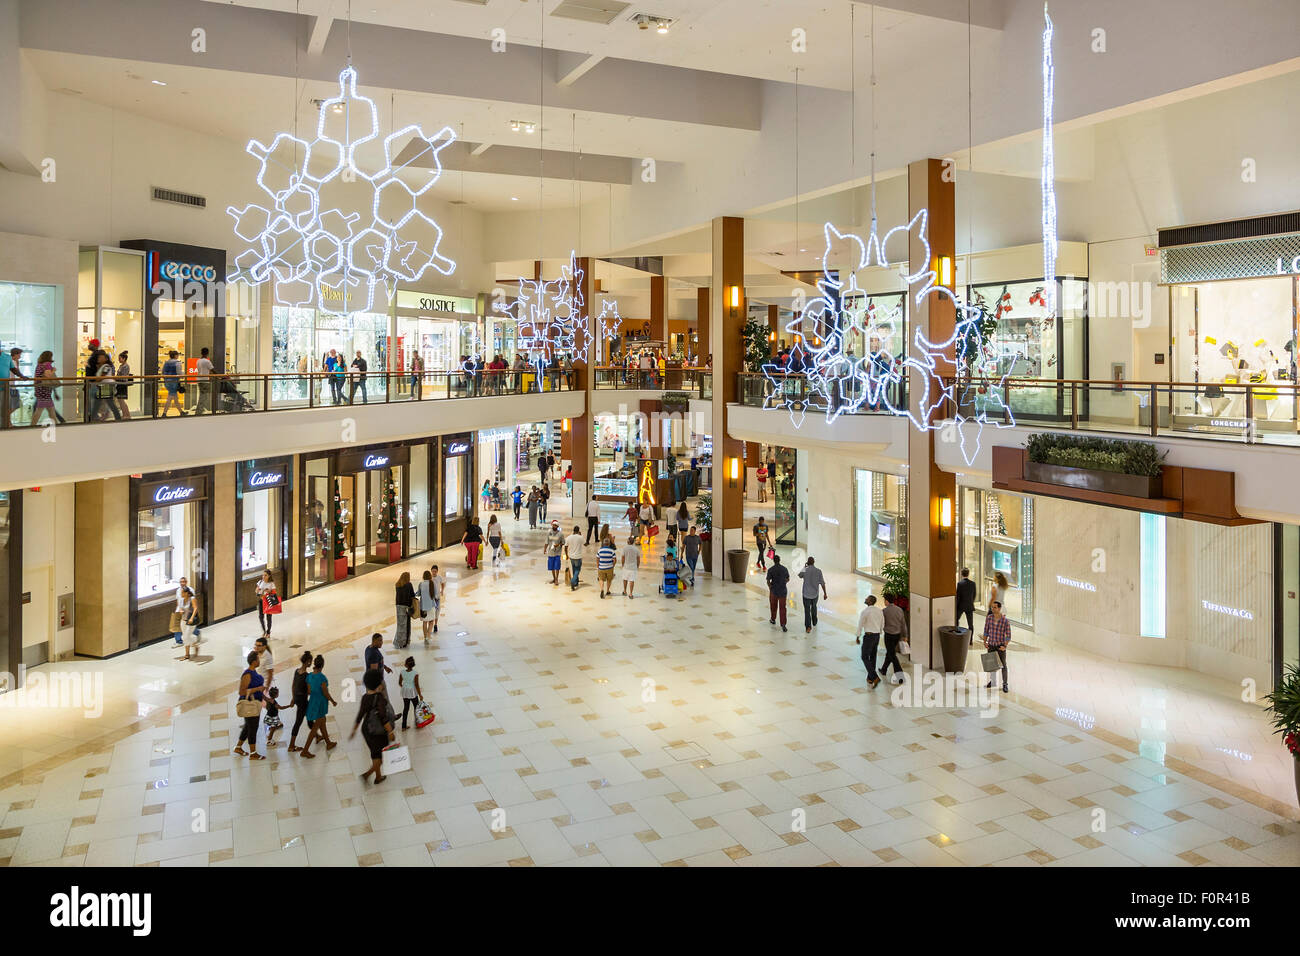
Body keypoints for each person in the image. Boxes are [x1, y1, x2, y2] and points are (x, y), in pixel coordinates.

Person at [351, 669, 396, 784]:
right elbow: (383, 717)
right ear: (378, 683)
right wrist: (390, 732)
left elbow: (360, 714)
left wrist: (354, 730)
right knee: (380, 757)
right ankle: (367, 774)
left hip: (366, 729)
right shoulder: (379, 698)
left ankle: (378, 776)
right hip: (378, 731)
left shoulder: (365, 697)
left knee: (375, 754)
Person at [233, 650, 266, 760]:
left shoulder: (254, 672)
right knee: (253, 728)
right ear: (253, 661)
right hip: (250, 705)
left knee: (248, 727)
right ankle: (253, 753)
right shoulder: (247, 674)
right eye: (258, 659)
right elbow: (242, 692)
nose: (259, 661)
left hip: (256, 703)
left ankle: (238, 747)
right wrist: (258, 689)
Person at [287, 650, 314, 752]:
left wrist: (293, 698)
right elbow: (309, 691)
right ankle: (291, 745)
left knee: (310, 718)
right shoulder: (307, 675)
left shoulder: (296, 671)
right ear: (307, 661)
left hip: (298, 699)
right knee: (298, 722)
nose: (311, 663)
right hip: (303, 700)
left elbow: (293, 685)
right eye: (310, 661)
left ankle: (317, 735)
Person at [982, 600, 1011, 693]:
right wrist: (985, 641)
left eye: (995, 607)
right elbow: (986, 630)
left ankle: (1005, 684)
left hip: (1000, 646)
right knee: (991, 665)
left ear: (999, 608)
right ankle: (993, 681)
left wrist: (1005, 646)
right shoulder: (989, 618)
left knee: (1003, 665)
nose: (993, 609)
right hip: (991, 645)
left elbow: (1008, 635)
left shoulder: (1005, 621)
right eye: (992, 607)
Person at [880, 593, 909, 684]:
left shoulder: (884, 611)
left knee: (892, 655)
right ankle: (883, 669)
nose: (884, 602)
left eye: (884, 600)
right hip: (897, 635)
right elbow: (903, 624)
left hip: (888, 635)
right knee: (890, 652)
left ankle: (900, 676)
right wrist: (905, 636)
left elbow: (881, 623)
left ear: (887, 601)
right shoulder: (899, 610)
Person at [30, 351, 64, 426]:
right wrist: (54, 370)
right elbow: (48, 375)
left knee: (50, 410)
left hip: (40, 389)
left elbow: (37, 377)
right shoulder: (47, 364)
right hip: (44, 390)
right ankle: (32, 426)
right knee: (40, 410)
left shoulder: (39, 365)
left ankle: (56, 424)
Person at [857, 595, 884, 688]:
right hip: (876, 635)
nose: (865, 599)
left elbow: (860, 624)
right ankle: (870, 678)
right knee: (873, 656)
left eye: (867, 599)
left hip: (869, 636)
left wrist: (858, 636)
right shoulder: (879, 611)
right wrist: (879, 631)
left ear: (870, 601)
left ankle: (875, 677)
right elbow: (882, 622)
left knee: (864, 656)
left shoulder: (865, 612)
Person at [797, 556, 827, 634]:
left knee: (807, 611)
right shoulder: (818, 571)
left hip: (806, 594)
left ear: (808, 562)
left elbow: (799, 575)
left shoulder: (805, 570)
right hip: (814, 594)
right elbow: (822, 583)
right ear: (814, 562)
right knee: (814, 607)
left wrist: (804, 567)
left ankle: (808, 627)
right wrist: (825, 593)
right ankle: (814, 621)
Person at [89, 349, 120, 422]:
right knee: (104, 401)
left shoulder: (106, 366)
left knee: (103, 401)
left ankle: (92, 418)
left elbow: (102, 376)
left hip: (107, 386)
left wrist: (93, 383)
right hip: (105, 386)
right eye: (98, 357)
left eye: (101, 357)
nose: (99, 358)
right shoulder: (103, 366)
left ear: (106, 359)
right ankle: (93, 417)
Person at [0, 346, 27, 427]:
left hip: (5, 388)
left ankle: (5, 425)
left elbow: (13, 369)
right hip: (8, 387)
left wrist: (22, 376)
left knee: (4, 408)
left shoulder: (7, 357)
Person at [364, 632, 392, 701]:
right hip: (376, 682)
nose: (381, 642)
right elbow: (374, 671)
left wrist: (385, 667)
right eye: (379, 640)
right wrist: (379, 685)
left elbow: (377, 662)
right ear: (374, 641)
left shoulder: (369, 648)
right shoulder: (374, 654)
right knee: (384, 700)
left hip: (370, 681)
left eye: (381, 640)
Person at [766, 554, 790, 631]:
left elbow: (768, 581)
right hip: (783, 591)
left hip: (774, 591)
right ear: (779, 560)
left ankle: (773, 619)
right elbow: (788, 578)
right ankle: (783, 624)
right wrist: (783, 583)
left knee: (773, 606)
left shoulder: (771, 570)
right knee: (783, 608)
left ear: (774, 561)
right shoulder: (784, 569)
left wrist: (770, 588)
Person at [398, 656, 423, 730]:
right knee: (416, 708)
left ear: (406, 664)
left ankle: (403, 726)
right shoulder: (415, 673)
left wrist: (404, 687)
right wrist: (420, 695)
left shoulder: (402, 672)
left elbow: (400, 683)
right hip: (412, 692)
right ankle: (417, 723)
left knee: (406, 708)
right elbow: (416, 685)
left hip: (405, 692)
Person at [159, 349, 184, 417]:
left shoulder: (166, 362)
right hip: (174, 382)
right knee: (170, 398)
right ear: (176, 355)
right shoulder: (178, 363)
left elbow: (163, 373)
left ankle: (181, 412)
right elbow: (179, 373)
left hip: (167, 382)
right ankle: (164, 413)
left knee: (175, 398)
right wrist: (183, 375)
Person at [394, 571, 415, 649]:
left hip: (398, 607)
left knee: (400, 625)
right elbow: (412, 595)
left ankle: (398, 642)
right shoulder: (409, 585)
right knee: (406, 625)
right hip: (406, 607)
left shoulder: (397, 585)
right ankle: (405, 642)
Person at [956, 567, 977, 640]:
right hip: (969, 606)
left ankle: (957, 634)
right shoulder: (973, 583)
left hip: (961, 606)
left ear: (961, 574)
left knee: (956, 620)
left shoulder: (960, 584)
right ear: (968, 574)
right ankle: (970, 640)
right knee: (970, 624)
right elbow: (974, 595)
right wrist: (971, 602)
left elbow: (958, 596)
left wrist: (956, 606)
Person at [193, 346, 214, 415]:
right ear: (207, 353)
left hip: (199, 379)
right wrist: (220, 376)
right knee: (203, 396)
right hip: (205, 380)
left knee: (202, 395)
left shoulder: (198, 361)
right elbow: (212, 370)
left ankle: (199, 410)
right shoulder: (207, 361)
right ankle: (199, 411)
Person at [564, 524, 585, 590]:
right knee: (577, 570)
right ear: (578, 531)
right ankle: (573, 581)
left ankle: (576, 582)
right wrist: (581, 535)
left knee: (574, 568)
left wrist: (566, 555)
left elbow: (565, 547)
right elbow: (586, 544)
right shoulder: (580, 537)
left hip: (571, 556)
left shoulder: (569, 537)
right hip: (578, 556)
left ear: (573, 530)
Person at [256, 570, 277, 636]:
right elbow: (256, 591)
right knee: (260, 616)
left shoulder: (271, 583)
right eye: (263, 575)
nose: (263, 576)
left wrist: (269, 591)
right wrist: (258, 590)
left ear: (269, 576)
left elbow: (274, 593)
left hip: (268, 601)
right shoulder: (260, 582)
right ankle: (264, 630)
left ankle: (268, 632)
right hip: (261, 601)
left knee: (269, 617)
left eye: (265, 575)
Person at [427, 564, 446, 636]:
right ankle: (430, 625)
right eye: (433, 571)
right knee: (431, 612)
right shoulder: (429, 578)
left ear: (437, 571)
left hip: (437, 598)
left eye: (435, 571)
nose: (434, 573)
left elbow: (443, 583)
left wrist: (442, 590)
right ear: (431, 571)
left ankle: (435, 625)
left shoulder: (439, 577)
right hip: (431, 599)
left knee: (437, 612)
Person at [597, 534, 618, 598]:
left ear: (603, 544)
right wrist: (613, 565)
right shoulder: (612, 551)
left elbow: (597, 559)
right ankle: (608, 590)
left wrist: (598, 566)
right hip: (609, 567)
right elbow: (614, 559)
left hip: (601, 567)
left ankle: (602, 589)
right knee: (609, 579)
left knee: (601, 579)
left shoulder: (599, 550)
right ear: (609, 544)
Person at [113, 350, 133, 420]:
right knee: (120, 400)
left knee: (121, 400)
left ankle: (127, 415)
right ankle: (126, 414)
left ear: (124, 358)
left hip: (122, 384)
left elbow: (123, 377)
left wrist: (116, 377)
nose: (119, 360)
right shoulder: (122, 365)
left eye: (120, 358)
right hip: (119, 384)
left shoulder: (126, 366)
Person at [545, 519, 565, 586]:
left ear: (557, 526)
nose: (554, 526)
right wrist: (545, 549)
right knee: (552, 566)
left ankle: (556, 578)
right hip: (550, 552)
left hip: (557, 552)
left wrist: (558, 545)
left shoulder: (560, 534)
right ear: (552, 525)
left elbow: (563, 542)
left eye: (556, 525)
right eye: (553, 525)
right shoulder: (549, 532)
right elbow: (546, 541)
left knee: (557, 566)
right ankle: (554, 578)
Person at [620, 534, 640, 598]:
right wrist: (637, 566)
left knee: (625, 579)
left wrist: (622, 564)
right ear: (633, 542)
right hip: (633, 567)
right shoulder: (636, 549)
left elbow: (623, 557)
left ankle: (625, 591)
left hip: (626, 566)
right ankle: (631, 593)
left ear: (627, 542)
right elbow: (638, 559)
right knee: (631, 580)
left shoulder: (624, 548)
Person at [418, 570, 435, 642]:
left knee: (424, 622)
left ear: (423, 576)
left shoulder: (421, 584)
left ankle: (425, 637)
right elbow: (435, 594)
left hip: (423, 607)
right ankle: (428, 635)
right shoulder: (432, 583)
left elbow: (418, 594)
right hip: (431, 606)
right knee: (431, 621)